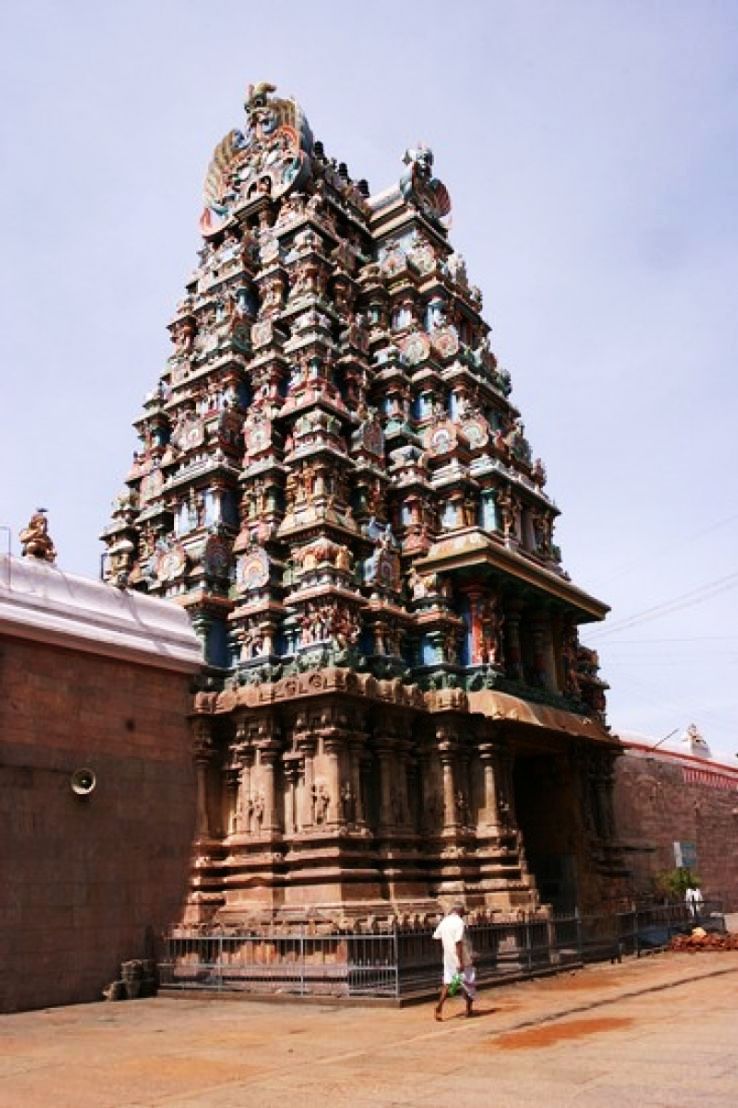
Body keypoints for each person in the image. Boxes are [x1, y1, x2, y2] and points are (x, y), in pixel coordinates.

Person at [432, 903, 476, 1020]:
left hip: (448, 958)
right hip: (461, 958)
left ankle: (439, 1006)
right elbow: (458, 943)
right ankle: (468, 1008)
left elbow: (436, 936)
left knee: (447, 983)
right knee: (468, 984)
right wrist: (460, 962)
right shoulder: (459, 923)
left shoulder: (445, 921)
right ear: (460, 912)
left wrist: (446, 950)